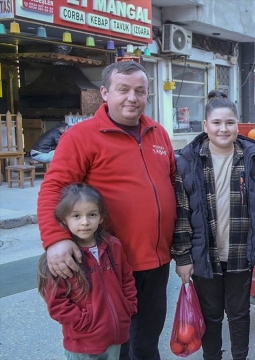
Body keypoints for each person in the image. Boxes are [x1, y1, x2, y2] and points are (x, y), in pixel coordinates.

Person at [37, 61, 177, 360]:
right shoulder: (81, 137)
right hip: (110, 264)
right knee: (118, 346)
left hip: (156, 263)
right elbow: (53, 189)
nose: (132, 97)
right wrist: (55, 239)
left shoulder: (159, 134)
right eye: (123, 89)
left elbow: (172, 189)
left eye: (140, 91)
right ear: (105, 92)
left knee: (147, 343)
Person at [172, 90, 255, 360]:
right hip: (205, 255)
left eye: (230, 123)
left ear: (238, 124)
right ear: (205, 126)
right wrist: (183, 257)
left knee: (239, 315)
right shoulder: (188, 162)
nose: (223, 129)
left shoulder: (253, 157)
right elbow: (181, 213)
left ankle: (240, 357)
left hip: (240, 252)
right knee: (211, 317)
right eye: (216, 123)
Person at [38, 183, 138, 360]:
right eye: (76, 216)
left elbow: (126, 278)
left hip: (115, 337)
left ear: (100, 218)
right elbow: (57, 303)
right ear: (63, 220)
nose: (85, 222)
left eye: (92, 215)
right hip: (83, 343)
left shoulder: (113, 245)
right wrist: (84, 322)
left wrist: (127, 307)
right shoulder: (62, 258)